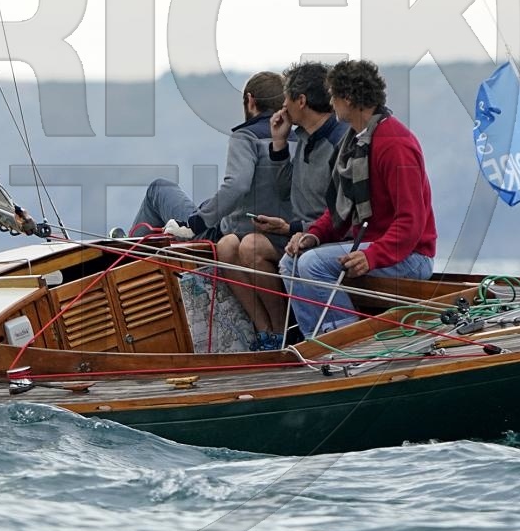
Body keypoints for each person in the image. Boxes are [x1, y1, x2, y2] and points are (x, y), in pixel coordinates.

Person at [278, 59, 437, 337]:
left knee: (312, 264)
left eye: (334, 96)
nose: (330, 103)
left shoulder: (395, 144)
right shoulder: (355, 140)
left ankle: (348, 341)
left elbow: (411, 223)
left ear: (348, 99)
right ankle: (316, 341)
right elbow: (340, 208)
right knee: (291, 261)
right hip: (375, 247)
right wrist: (312, 235)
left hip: (411, 256)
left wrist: (372, 256)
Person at [133, 71, 290, 347]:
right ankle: (268, 332)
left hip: (225, 229)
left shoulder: (246, 137)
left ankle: (122, 260)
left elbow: (236, 186)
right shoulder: (298, 138)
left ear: (250, 101)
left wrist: (196, 222)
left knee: (158, 190)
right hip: (268, 231)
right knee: (220, 230)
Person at [219, 60, 351, 345]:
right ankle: (269, 332)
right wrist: (279, 145)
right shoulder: (303, 137)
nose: (282, 104)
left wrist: (299, 229)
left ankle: (285, 333)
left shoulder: (339, 142)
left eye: (287, 97)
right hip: (298, 231)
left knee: (251, 246)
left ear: (300, 101)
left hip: (326, 236)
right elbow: (286, 189)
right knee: (230, 245)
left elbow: (343, 212)